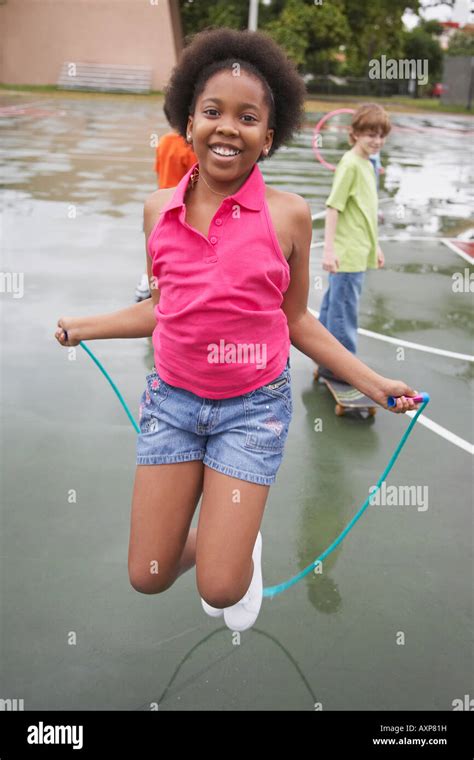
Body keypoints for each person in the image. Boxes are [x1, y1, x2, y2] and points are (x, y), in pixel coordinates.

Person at [54, 30, 420, 633]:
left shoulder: (290, 215)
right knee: (148, 574)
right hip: (172, 404)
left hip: (252, 411)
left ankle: (236, 539)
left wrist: (372, 383)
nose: (228, 127)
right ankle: (230, 532)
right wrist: (85, 326)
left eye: (247, 117)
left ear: (268, 138)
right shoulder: (156, 210)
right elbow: (163, 307)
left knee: (222, 589)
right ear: (187, 123)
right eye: (213, 112)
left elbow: (296, 319)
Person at [317, 104, 391, 381]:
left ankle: (325, 357)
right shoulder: (350, 164)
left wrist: (376, 246)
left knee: (333, 306)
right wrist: (329, 249)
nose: (377, 141)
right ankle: (341, 368)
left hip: (359, 250)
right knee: (343, 312)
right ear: (355, 133)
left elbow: (366, 211)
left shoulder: (368, 163)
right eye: (371, 134)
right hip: (347, 254)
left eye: (382, 135)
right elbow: (333, 207)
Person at [135, 105, 197, 302]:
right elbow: (196, 178)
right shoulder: (189, 147)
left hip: (161, 203)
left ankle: (146, 284)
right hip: (181, 205)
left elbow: (159, 172)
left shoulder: (163, 142)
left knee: (154, 252)